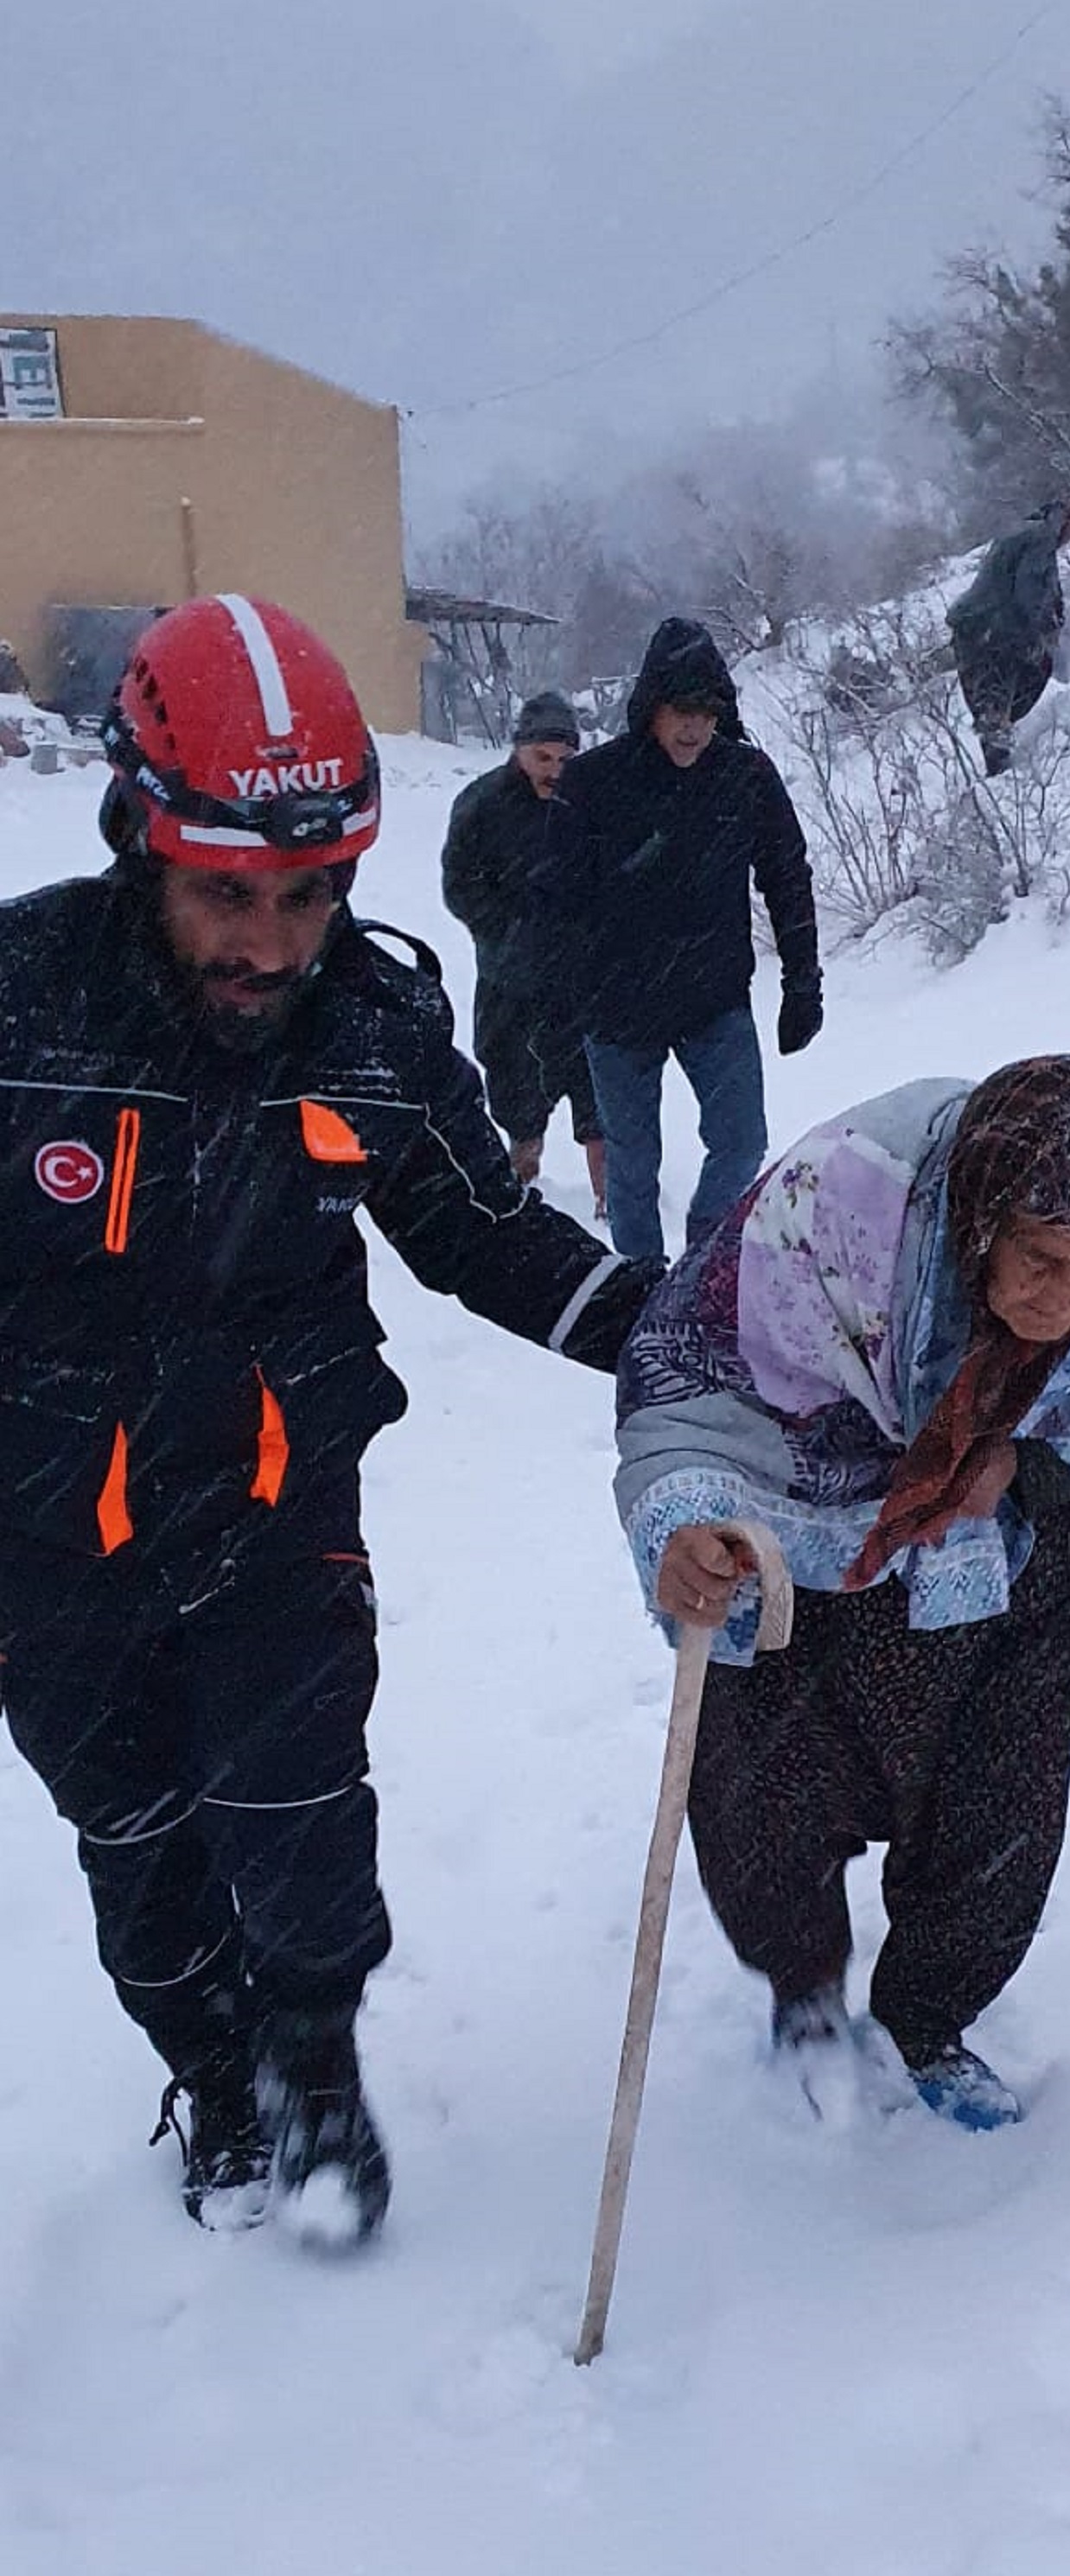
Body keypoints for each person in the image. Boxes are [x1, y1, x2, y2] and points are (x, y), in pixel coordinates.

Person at [0, 596, 658, 2243]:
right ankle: (213, 2072)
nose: (273, 943)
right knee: (138, 1848)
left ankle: (309, 2062)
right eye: (228, 894)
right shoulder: (23, 1006)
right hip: (47, 1529)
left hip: (274, 1508)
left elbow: (486, 1235)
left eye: (310, 894)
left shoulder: (370, 1029)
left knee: (297, 1819)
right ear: (140, 840)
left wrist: (688, 1342)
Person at [615, 1056, 1070, 2128]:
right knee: (770, 1782)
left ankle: (927, 2018)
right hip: (809, 1520)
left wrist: (1019, 1462)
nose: (1065, 1296)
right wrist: (685, 1516)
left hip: (1014, 1544)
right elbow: (689, 1370)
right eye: (1038, 1257)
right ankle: (802, 1991)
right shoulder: (841, 1208)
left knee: (1000, 1788)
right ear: (980, 1220)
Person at [527, 617, 820, 1263]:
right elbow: (555, 903)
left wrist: (803, 983)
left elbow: (787, 876)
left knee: (742, 1143)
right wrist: (556, 1010)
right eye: (680, 710)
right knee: (632, 1165)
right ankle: (640, 1288)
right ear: (651, 708)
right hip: (617, 1007)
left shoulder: (745, 777)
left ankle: (702, 1262)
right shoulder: (595, 782)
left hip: (714, 997)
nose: (693, 727)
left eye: (706, 712)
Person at [439, 689, 608, 1212]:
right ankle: (521, 1174)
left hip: (582, 979)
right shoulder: (482, 804)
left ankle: (611, 1200)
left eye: (565, 759)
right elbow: (459, 885)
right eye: (543, 757)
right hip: (510, 979)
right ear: (519, 750)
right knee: (515, 1088)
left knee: (599, 1095)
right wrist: (507, 930)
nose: (555, 770)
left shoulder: (591, 801)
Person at [946, 498, 1070, 777]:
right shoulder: (1040, 539)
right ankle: (999, 775)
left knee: (991, 702)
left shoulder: (1020, 532)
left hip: (975, 628)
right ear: (1065, 522)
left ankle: (997, 766)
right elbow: (1029, 589)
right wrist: (1044, 626)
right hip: (995, 631)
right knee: (1000, 699)